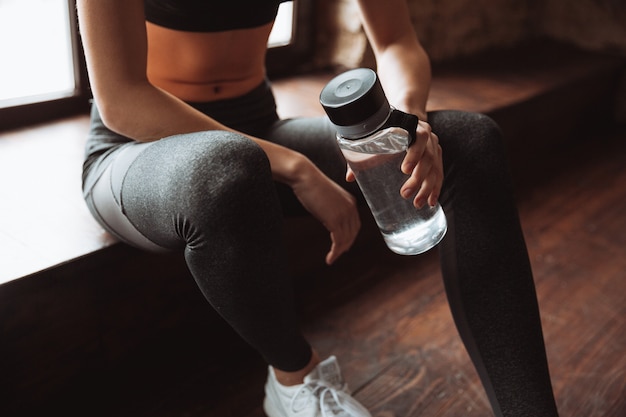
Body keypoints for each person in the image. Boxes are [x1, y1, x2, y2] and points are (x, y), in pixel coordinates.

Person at [76, 0, 560, 416]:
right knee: (227, 167)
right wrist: (295, 167)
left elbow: (395, 43)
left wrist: (407, 122)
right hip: (137, 150)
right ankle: (293, 379)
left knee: (470, 141)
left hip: (257, 127)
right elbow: (122, 99)